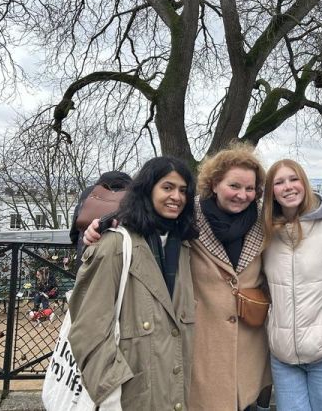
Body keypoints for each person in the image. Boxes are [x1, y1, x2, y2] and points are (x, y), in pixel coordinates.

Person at [83, 142, 272, 411]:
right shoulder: (188, 217)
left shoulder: (265, 222)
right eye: (234, 186)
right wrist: (104, 222)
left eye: (250, 188)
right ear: (215, 183)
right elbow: (145, 213)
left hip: (251, 355)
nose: (243, 195)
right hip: (200, 353)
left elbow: (300, 214)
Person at [68, 156, 198, 410]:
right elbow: (89, 330)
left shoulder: (182, 246)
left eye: (183, 190)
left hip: (172, 392)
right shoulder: (115, 244)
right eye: (168, 187)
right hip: (129, 395)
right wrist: (108, 394)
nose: (177, 197)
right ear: (147, 190)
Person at [261, 159, 322, 410]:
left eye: (293, 179)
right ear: (271, 191)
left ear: (304, 183)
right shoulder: (266, 235)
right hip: (283, 356)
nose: (288, 187)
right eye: (279, 182)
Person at [70, 171, 132, 266]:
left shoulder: (89, 194)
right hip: (123, 262)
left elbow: (74, 233)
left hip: (87, 259)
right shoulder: (135, 196)